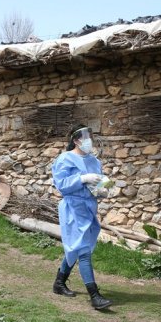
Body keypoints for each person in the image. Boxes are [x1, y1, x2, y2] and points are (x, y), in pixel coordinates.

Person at [51, 124, 112, 310]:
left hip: (88, 208)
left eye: (90, 137)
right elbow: (61, 184)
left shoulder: (94, 161)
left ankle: (59, 283)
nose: (89, 141)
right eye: (86, 138)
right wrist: (82, 179)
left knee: (75, 248)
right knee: (83, 250)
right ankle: (95, 296)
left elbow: (99, 187)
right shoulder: (65, 159)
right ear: (76, 140)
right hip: (72, 209)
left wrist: (103, 190)